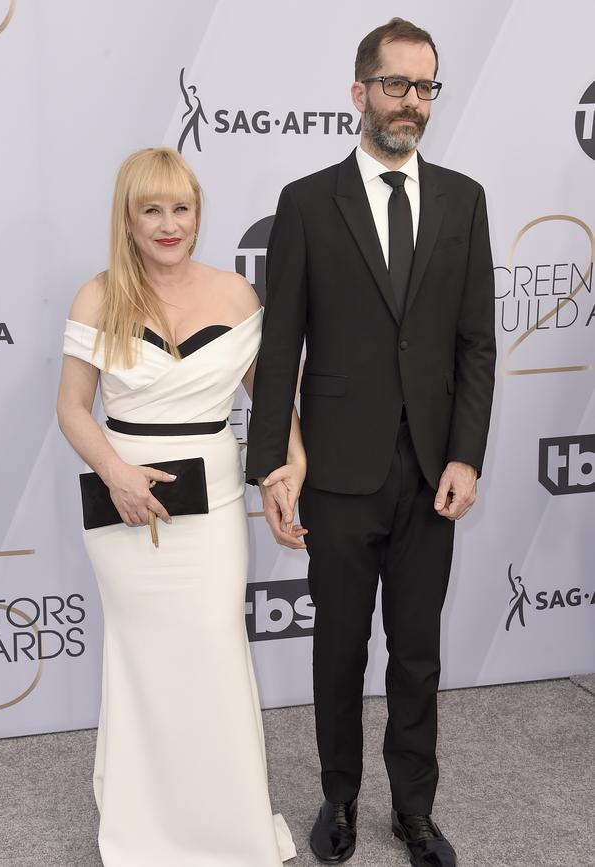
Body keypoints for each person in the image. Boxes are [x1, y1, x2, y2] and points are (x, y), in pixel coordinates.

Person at [246, 18, 496, 867]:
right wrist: (274, 466)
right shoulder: (309, 202)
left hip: (433, 470)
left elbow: (475, 343)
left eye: (427, 87)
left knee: (417, 653)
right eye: (398, 86)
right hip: (339, 471)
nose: (413, 103)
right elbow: (280, 345)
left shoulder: (464, 199)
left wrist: (467, 453)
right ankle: (341, 798)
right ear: (360, 93)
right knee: (340, 647)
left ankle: (414, 811)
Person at [57, 147, 301, 866]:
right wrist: (116, 470)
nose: (169, 225)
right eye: (152, 210)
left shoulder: (237, 297)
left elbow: (273, 407)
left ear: (199, 214)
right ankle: (146, 828)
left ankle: (227, 829)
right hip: (125, 505)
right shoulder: (97, 296)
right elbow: (72, 408)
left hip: (216, 504)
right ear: (128, 220)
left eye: (181, 208)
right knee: (143, 659)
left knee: (214, 653)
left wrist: (288, 469)